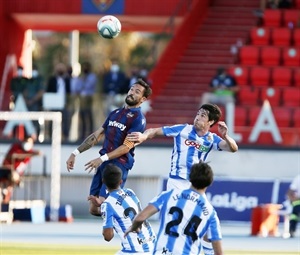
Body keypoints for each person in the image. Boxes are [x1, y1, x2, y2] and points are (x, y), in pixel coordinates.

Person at [127, 103, 237, 255]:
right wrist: (144, 135)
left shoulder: (212, 139)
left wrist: (226, 136)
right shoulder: (183, 129)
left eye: (203, 115)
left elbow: (233, 148)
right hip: (177, 183)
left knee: (207, 223)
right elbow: (155, 131)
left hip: (196, 186)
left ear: (211, 122)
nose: (198, 117)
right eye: (198, 113)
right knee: (175, 220)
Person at [66, 79, 152, 216]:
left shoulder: (138, 119)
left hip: (119, 165)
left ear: (142, 99)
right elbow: (96, 135)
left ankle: (129, 216)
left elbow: (126, 147)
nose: (132, 93)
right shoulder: (115, 113)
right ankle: (122, 213)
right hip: (104, 163)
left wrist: (101, 158)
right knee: (93, 209)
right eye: (131, 89)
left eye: (137, 92)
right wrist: (75, 153)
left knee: (102, 201)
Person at [124, 162, 224, 255]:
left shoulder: (169, 195)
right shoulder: (210, 212)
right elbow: (218, 251)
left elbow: (140, 217)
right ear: (210, 182)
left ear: (190, 177)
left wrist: (134, 227)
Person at [100, 163, 155, 254]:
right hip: (153, 245)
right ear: (121, 181)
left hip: (135, 250)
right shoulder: (130, 192)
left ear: (103, 181)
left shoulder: (107, 204)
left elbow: (108, 237)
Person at [0, 136, 41, 204]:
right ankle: (6, 189)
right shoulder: (16, 147)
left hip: (16, 173)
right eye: (26, 141)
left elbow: (39, 152)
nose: (26, 143)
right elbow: (13, 155)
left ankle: (7, 190)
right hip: (7, 169)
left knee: (14, 177)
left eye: (28, 142)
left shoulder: (30, 152)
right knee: (12, 176)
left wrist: (34, 153)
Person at [45, 63, 70, 140]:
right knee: (53, 120)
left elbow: (69, 91)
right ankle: (51, 136)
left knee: (65, 119)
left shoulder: (67, 80)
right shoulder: (52, 80)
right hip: (54, 103)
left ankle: (65, 136)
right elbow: (48, 91)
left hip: (64, 103)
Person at [76, 61, 97, 140]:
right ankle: (82, 134)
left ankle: (91, 133)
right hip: (81, 99)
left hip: (89, 98)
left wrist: (84, 82)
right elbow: (77, 87)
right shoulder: (81, 77)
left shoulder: (92, 76)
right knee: (82, 115)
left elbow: (89, 85)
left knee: (89, 114)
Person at [24, 65, 45, 137]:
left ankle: (38, 137)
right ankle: (27, 137)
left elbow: (41, 92)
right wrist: (27, 100)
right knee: (28, 121)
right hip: (28, 105)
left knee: (36, 121)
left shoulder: (40, 80)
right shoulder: (29, 80)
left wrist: (32, 100)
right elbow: (25, 91)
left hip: (36, 105)